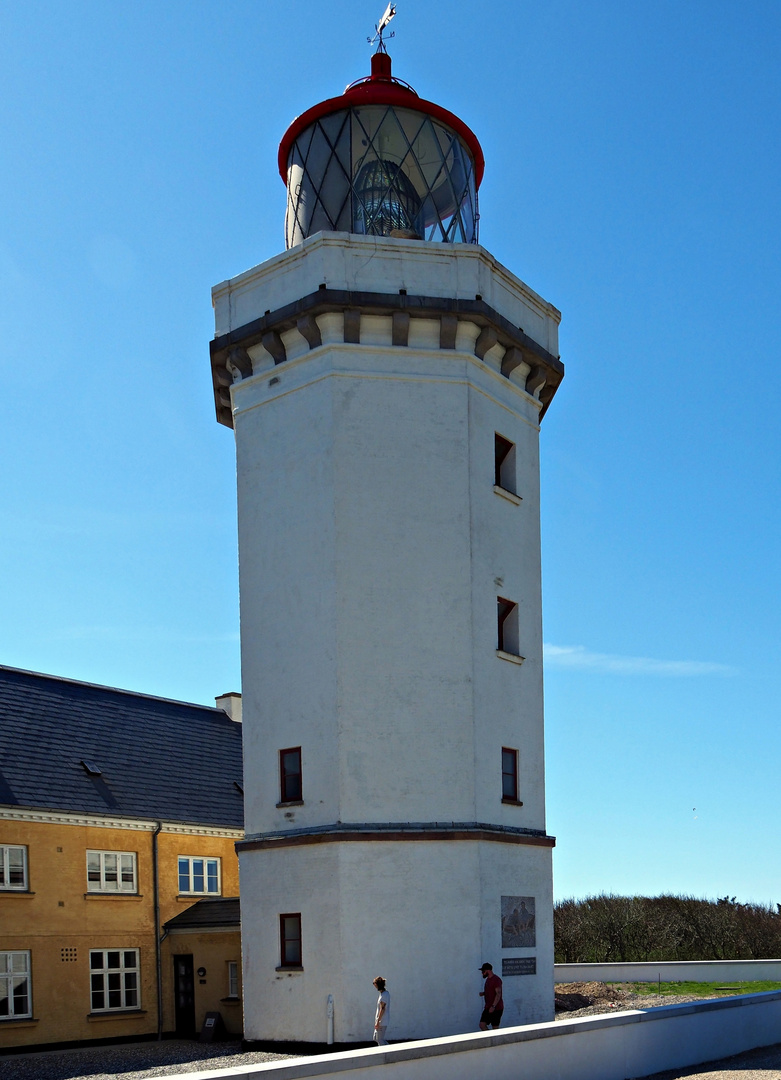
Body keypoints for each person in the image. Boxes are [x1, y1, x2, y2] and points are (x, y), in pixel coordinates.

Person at [478, 962, 503, 1029]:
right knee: (482, 1024)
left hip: (496, 1008)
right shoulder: (488, 980)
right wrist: (483, 993)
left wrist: (493, 1006)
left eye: (483, 971)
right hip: (488, 1007)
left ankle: (495, 1038)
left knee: (495, 1027)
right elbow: (491, 991)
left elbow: (498, 994)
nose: (482, 973)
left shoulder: (496, 980)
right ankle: (489, 1037)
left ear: (488, 970)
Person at [372, 975, 390, 1045]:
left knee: (379, 1039)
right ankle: (389, 1050)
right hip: (381, 1021)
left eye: (374, 983)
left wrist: (378, 1021)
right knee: (375, 1038)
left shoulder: (384, 995)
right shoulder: (383, 994)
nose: (373, 985)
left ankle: (388, 1052)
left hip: (382, 1021)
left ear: (377, 984)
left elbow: (382, 1008)